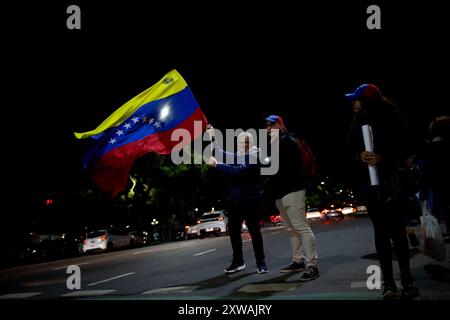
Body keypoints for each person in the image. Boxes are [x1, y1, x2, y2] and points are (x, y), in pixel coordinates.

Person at [344, 83, 419, 299]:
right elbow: (349, 149)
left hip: (392, 182)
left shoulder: (392, 118)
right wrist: (360, 156)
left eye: (356, 100)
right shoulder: (357, 122)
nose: (353, 104)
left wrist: (383, 158)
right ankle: (388, 283)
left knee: (397, 231)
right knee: (381, 232)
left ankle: (407, 280)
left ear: (367, 101)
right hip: (369, 185)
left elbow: (406, 147)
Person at [206, 125, 268, 274]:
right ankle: (238, 262)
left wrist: (217, 164)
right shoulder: (238, 156)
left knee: (254, 232)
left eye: (246, 142)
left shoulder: (255, 156)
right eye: (241, 142)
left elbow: (237, 172)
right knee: (234, 233)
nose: (243, 145)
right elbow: (219, 152)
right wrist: (213, 135)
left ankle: (261, 262)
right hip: (235, 201)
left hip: (251, 200)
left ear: (251, 143)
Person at [265, 115, 319, 281]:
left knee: (301, 227)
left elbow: (280, 168)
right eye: (267, 126)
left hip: (293, 190)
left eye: (272, 125)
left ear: (281, 125)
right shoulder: (277, 143)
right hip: (281, 192)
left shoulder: (287, 141)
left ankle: (312, 266)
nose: (268, 128)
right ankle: (298, 260)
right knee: (291, 229)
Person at [420, 116, 450, 238]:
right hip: (442, 182)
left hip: (437, 183)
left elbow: (427, 169)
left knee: (439, 206)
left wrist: (424, 189)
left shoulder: (430, 147)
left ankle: (437, 233)